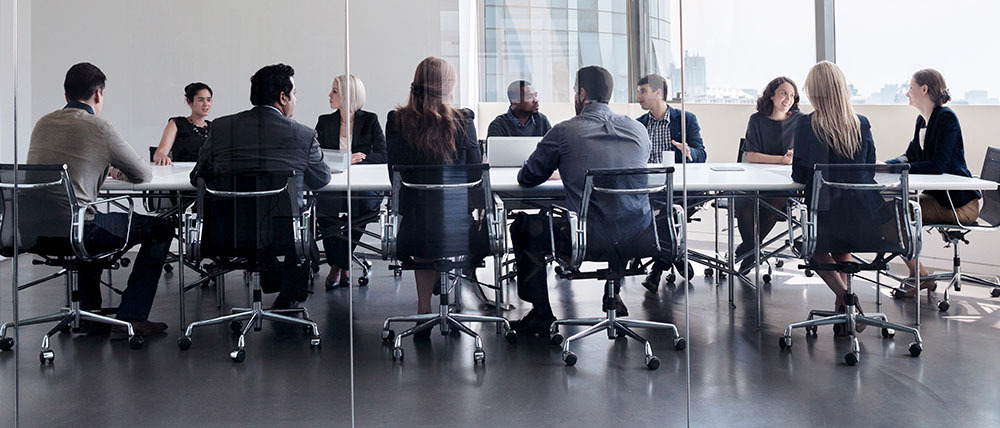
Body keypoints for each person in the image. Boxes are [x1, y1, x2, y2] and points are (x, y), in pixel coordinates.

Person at [27, 62, 174, 336]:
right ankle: (132, 317)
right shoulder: (98, 127)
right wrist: (117, 168)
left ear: (66, 94)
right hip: (80, 229)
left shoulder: (42, 123)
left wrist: (103, 166)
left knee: (84, 219)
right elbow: (142, 174)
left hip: (36, 229)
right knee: (161, 228)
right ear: (98, 94)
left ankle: (90, 312)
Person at [510, 65, 652, 335]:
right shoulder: (637, 129)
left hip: (587, 238)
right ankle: (613, 292)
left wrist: (562, 167)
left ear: (583, 94)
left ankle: (541, 315)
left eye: (575, 91)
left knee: (524, 226)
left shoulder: (565, 131)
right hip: (639, 235)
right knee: (619, 213)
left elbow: (528, 177)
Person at [191, 63, 331, 309]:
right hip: (283, 235)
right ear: (282, 97)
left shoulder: (222, 128)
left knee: (259, 223)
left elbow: (197, 177)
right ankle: (286, 296)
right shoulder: (303, 134)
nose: (295, 99)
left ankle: (277, 282)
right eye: (294, 93)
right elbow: (321, 179)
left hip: (227, 232)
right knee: (298, 224)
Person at [385, 57, 480, 333]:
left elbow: (395, 175)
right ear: (448, 86)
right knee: (442, 226)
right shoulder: (464, 120)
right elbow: (475, 174)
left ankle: (423, 307)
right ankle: (445, 297)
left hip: (414, 225)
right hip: (457, 226)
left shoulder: (397, 120)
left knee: (426, 235)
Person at [791, 60, 876, 318]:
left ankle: (845, 297)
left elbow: (800, 175)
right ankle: (846, 310)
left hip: (825, 212)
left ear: (815, 92)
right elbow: (869, 170)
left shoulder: (807, 124)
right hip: (863, 215)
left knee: (813, 246)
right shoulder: (861, 123)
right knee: (841, 243)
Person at [886, 69, 981, 297]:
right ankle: (920, 275)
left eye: (910, 88)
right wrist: (884, 165)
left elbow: (938, 165)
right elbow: (909, 156)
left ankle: (919, 276)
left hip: (959, 205)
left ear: (924, 89)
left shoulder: (946, 118)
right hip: (941, 199)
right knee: (890, 206)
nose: (908, 93)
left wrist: (898, 168)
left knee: (895, 213)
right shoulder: (922, 120)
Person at [315, 74, 386, 289]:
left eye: (334, 91)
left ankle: (337, 266)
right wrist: (345, 159)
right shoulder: (325, 121)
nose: (329, 95)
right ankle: (342, 265)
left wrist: (358, 159)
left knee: (359, 205)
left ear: (348, 95)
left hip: (361, 186)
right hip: (333, 184)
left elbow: (383, 154)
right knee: (324, 209)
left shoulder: (370, 120)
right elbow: (315, 154)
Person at [635, 73, 705, 290]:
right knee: (665, 212)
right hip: (649, 188)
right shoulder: (638, 125)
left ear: (658, 93)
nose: (638, 97)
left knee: (667, 212)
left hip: (680, 187)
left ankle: (657, 269)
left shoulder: (686, 119)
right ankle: (676, 257)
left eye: (643, 91)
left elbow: (702, 155)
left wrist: (688, 151)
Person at [733, 77, 805, 272]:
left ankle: (748, 251)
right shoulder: (756, 120)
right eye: (784, 93)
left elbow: (806, 152)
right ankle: (752, 250)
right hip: (755, 180)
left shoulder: (800, 120)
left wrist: (796, 155)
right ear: (771, 95)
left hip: (785, 183)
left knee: (774, 202)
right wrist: (781, 159)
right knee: (741, 201)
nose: (788, 99)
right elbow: (752, 156)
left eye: (792, 95)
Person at [152, 82, 213, 165]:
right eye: (200, 100)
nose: (206, 104)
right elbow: (159, 154)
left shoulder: (214, 126)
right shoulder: (176, 123)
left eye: (208, 100)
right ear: (189, 101)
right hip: (182, 173)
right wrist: (162, 157)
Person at [486, 80, 552, 137]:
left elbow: (553, 149)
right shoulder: (499, 125)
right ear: (514, 101)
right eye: (529, 96)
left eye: (535, 96)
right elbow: (494, 151)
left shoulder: (542, 120)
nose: (536, 100)